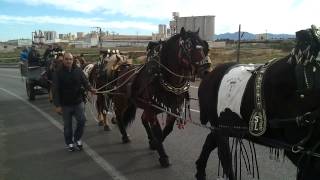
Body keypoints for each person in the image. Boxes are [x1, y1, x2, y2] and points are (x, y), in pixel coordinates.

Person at [52, 52, 96, 152]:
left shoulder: (78, 70)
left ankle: (77, 139)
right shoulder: (57, 73)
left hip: (78, 102)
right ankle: (69, 143)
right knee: (67, 126)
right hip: (65, 104)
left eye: (70, 59)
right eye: (66, 59)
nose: (68, 61)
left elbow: (85, 82)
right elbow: (55, 90)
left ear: (73, 60)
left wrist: (91, 89)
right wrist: (57, 105)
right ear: (63, 60)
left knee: (82, 121)